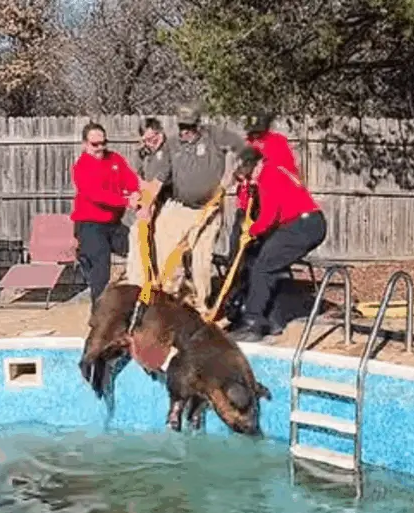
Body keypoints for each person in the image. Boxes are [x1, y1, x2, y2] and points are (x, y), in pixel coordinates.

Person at [137, 103, 249, 313]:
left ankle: (200, 307)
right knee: (167, 256)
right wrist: (146, 205)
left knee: (201, 260)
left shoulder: (214, 136)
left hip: (208, 210)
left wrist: (235, 174)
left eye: (189, 126)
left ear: (198, 124)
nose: (185, 131)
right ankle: (171, 300)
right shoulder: (172, 144)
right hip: (180, 208)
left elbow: (244, 148)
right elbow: (159, 179)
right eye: (182, 126)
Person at [227, 147, 327, 343]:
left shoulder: (269, 176)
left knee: (262, 267)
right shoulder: (273, 170)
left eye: (250, 175)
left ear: (257, 165)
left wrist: (252, 231)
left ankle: (253, 323)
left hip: (303, 225)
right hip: (301, 223)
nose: (250, 181)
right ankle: (272, 318)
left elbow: (269, 216)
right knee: (265, 263)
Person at [225, 112, 301, 320]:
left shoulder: (277, 144)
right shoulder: (247, 144)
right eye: (252, 133)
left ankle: (261, 305)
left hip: (267, 207)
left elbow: (283, 170)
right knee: (237, 255)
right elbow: (240, 170)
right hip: (246, 207)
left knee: (262, 257)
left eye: (258, 133)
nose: (254, 137)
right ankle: (235, 299)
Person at [70, 121, 141, 310]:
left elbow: (130, 179)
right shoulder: (81, 167)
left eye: (103, 143)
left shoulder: (114, 159)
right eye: (95, 144)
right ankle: (100, 316)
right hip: (90, 225)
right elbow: (97, 195)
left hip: (113, 224)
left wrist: (135, 192)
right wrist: (125, 201)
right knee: (101, 272)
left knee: (140, 249)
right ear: (85, 144)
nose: (100, 148)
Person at [124, 117, 169, 287]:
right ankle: (138, 283)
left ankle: (169, 285)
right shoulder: (142, 153)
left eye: (153, 138)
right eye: (146, 140)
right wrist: (136, 194)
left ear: (160, 133)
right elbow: (135, 178)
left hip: (170, 201)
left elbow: (158, 183)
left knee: (164, 237)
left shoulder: (170, 151)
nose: (150, 143)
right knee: (136, 234)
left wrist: (147, 205)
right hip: (150, 200)